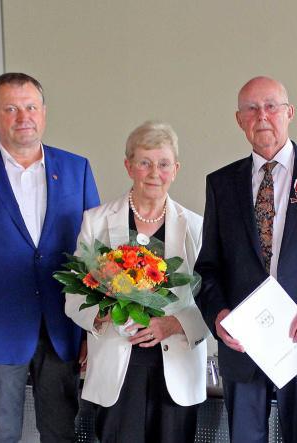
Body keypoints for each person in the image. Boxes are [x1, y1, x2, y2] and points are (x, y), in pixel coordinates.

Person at [195, 76, 297, 443]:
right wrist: (217, 315)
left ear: (289, 113)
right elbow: (208, 268)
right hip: (243, 348)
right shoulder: (221, 183)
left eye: (271, 106)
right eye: (251, 109)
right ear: (239, 120)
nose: (261, 115)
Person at [0, 72, 99, 442]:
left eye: (30, 107)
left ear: (44, 112)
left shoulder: (76, 169)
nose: (23, 117)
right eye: (11, 108)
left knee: (62, 432)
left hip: (63, 328)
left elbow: (95, 258)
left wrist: (92, 331)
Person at [65, 121, 208, 442]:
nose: (154, 172)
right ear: (129, 166)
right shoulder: (96, 222)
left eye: (163, 164)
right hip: (118, 367)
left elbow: (213, 298)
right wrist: (104, 314)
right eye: (144, 162)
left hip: (177, 366)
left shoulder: (196, 227)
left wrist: (174, 324)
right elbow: (73, 298)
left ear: (176, 169)